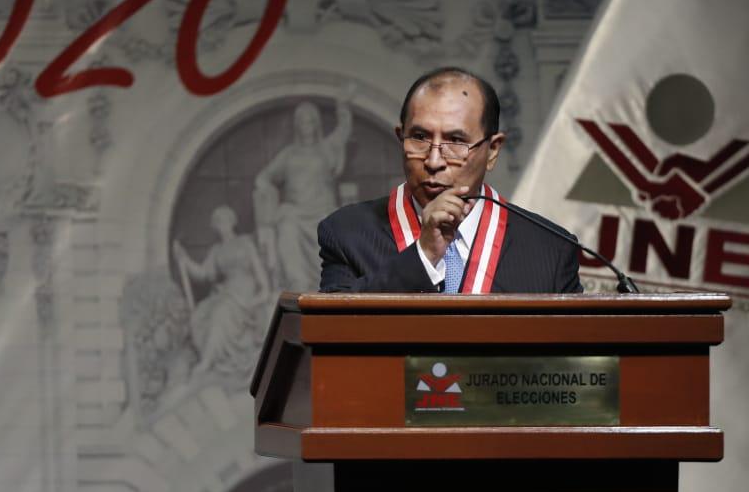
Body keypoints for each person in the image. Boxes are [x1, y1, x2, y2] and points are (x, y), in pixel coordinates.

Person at [317, 67, 581, 293]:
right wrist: (424, 256)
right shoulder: (347, 234)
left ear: (492, 151)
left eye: (456, 141)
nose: (433, 161)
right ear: (400, 138)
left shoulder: (551, 250)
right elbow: (333, 327)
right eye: (419, 137)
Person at [254, 93, 353, 291]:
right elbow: (263, 177)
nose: (305, 125)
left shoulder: (326, 147)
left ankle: (327, 282)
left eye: (309, 120)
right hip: (296, 212)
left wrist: (343, 107)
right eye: (301, 121)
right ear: (296, 125)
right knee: (286, 225)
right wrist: (267, 191)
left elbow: (343, 131)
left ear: (316, 124)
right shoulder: (289, 154)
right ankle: (296, 281)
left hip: (322, 210)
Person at [173, 206, 272, 378]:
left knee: (221, 313)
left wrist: (259, 298)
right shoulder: (216, 250)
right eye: (218, 222)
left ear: (232, 222)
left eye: (224, 220)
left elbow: (263, 281)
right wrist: (185, 259)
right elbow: (202, 273)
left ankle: (207, 361)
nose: (221, 225)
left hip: (244, 293)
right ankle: (210, 358)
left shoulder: (245, 243)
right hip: (226, 291)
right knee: (201, 314)